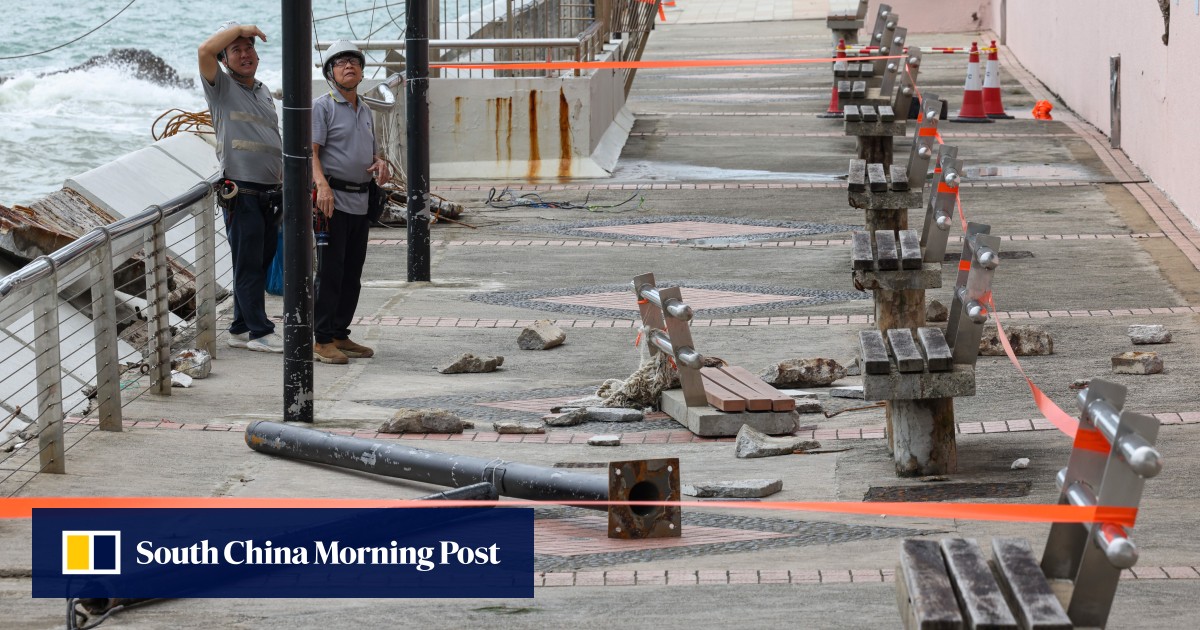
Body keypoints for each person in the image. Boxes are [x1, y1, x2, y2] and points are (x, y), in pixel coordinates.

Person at [198, 21, 284, 353]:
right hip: (242, 192)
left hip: (269, 192)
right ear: (225, 60)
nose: (246, 54)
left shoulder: (262, 90)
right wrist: (241, 28)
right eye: (237, 50)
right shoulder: (220, 86)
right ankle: (260, 332)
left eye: (249, 48)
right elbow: (204, 50)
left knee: (259, 264)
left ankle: (239, 327)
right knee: (247, 264)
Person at [311, 41, 389, 364]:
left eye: (354, 62)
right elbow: (310, 152)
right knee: (330, 270)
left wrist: (380, 162)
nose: (349, 66)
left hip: (360, 200)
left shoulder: (366, 110)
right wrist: (321, 185)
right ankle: (322, 337)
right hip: (332, 202)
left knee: (352, 271)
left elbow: (370, 151)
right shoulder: (323, 106)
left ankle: (340, 333)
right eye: (341, 62)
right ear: (331, 71)